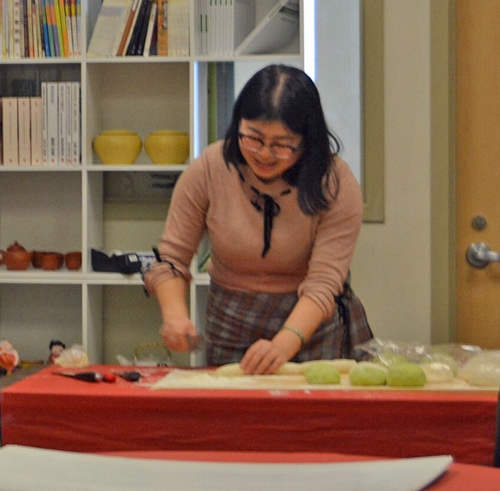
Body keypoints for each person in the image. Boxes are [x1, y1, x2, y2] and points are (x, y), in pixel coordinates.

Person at [144, 64, 373, 375]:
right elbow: (171, 259)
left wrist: (282, 345)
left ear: (307, 141)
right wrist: (174, 315)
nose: (265, 154)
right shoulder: (209, 168)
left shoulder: (334, 182)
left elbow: (323, 284)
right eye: (253, 138)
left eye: (282, 144)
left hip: (312, 326)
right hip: (231, 321)